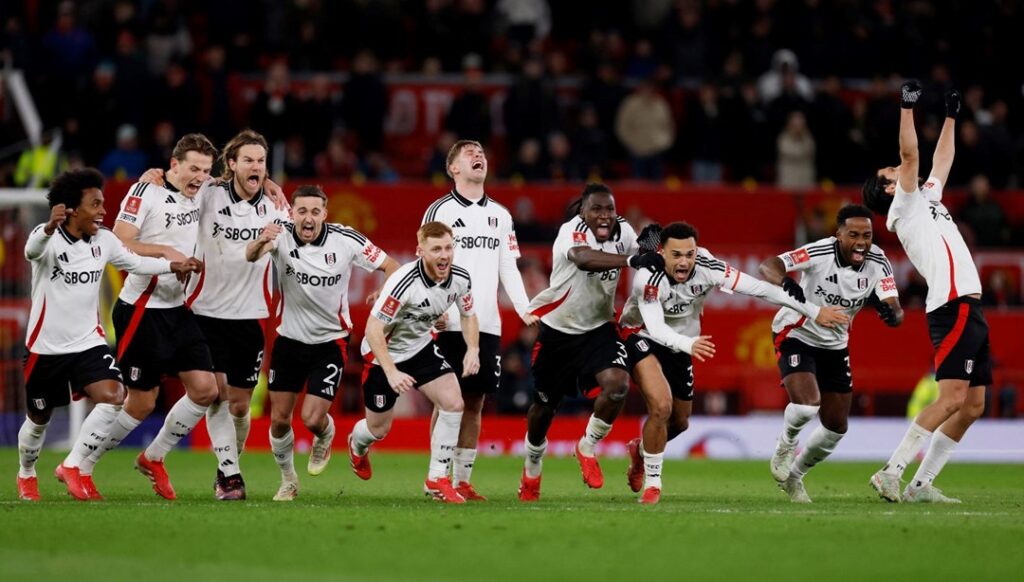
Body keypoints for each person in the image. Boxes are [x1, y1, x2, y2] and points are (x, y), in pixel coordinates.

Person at [618, 222, 847, 504]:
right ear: (661, 253)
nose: (685, 261)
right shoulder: (647, 278)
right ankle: (653, 485)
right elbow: (657, 328)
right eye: (676, 255)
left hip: (682, 344)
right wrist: (689, 344)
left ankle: (640, 452)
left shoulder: (708, 265)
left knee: (679, 422)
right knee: (661, 406)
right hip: (643, 334)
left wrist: (813, 311)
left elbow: (758, 289)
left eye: (689, 254)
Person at [17, 169, 198, 501]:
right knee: (39, 417)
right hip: (46, 347)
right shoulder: (48, 240)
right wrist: (47, 227)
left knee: (114, 396)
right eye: (95, 204)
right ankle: (26, 472)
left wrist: (172, 266)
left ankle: (73, 465)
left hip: (88, 342)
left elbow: (134, 262)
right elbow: (31, 250)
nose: (103, 211)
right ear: (71, 209)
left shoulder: (104, 241)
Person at [863, 84, 989, 503]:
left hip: (969, 302)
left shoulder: (925, 198)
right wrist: (906, 108)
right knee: (952, 398)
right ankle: (891, 471)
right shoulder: (903, 205)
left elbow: (942, 159)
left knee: (972, 406)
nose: (899, 170)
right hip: (952, 304)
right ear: (887, 189)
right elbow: (912, 156)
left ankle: (921, 485)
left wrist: (952, 117)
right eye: (891, 172)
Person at [245, 185, 398, 501]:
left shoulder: (346, 239)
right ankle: (288, 480)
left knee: (312, 418)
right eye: (302, 211)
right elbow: (250, 256)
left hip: (331, 342)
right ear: (293, 213)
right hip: (289, 340)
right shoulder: (280, 234)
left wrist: (383, 293)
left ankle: (325, 434)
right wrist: (262, 238)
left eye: (315, 212)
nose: (308, 218)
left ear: (325, 214)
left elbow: (392, 266)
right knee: (278, 419)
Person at [518, 183, 663, 502]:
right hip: (557, 331)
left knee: (618, 387)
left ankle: (586, 446)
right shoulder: (571, 232)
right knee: (543, 409)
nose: (604, 215)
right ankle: (532, 466)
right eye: (596, 208)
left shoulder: (623, 231)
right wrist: (631, 260)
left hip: (598, 328)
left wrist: (650, 252)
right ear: (583, 211)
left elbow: (643, 258)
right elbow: (583, 259)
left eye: (609, 209)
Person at [417, 139, 536, 501]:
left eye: (481, 152)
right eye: (468, 153)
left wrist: (523, 307)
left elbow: (508, 266)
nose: (478, 156)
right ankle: (435, 476)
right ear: (452, 168)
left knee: (475, 401)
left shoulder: (500, 215)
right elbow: (423, 262)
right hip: (449, 320)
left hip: (487, 323)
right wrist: (432, 308)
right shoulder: (438, 211)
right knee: (447, 400)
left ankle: (462, 479)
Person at [760, 204, 903, 503]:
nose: (861, 241)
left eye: (867, 235)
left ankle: (795, 479)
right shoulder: (819, 252)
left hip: (835, 345)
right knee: (807, 405)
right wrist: (786, 281)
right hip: (796, 334)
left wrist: (892, 314)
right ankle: (786, 445)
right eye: (853, 234)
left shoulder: (879, 261)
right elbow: (769, 265)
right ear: (838, 235)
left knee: (836, 426)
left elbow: (893, 304)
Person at [105, 133, 220, 500]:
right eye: (193, 168)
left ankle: (153, 457)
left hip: (176, 308)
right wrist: (167, 253)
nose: (200, 176)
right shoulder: (145, 191)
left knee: (205, 390)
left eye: (206, 169)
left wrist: (268, 182)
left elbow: (237, 176)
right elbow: (119, 241)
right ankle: (79, 462)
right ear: (173, 164)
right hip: (142, 307)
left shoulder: (201, 191)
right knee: (140, 403)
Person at [180, 130, 289, 500]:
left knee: (241, 405)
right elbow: (181, 179)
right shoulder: (208, 193)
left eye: (261, 160)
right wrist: (155, 175)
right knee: (217, 395)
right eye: (248, 160)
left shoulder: (276, 205)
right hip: (204, 310)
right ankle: (230, 475)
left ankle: (228, 465)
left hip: (250, 315)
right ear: (231, 164)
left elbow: (289, 249)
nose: (256, 166)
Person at [348, 221, 479, 504]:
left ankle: (437, 478)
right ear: (421, 251)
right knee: (378, 430)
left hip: (419, 349)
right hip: (381, 355)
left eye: (447, 248)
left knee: (454, 403)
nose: (444, 255)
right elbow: (373, 330)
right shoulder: (404, 281)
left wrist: (473, 348)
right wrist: (391, 371)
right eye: (436, 250)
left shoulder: (460, 278)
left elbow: (468, 314)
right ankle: (357, 445)